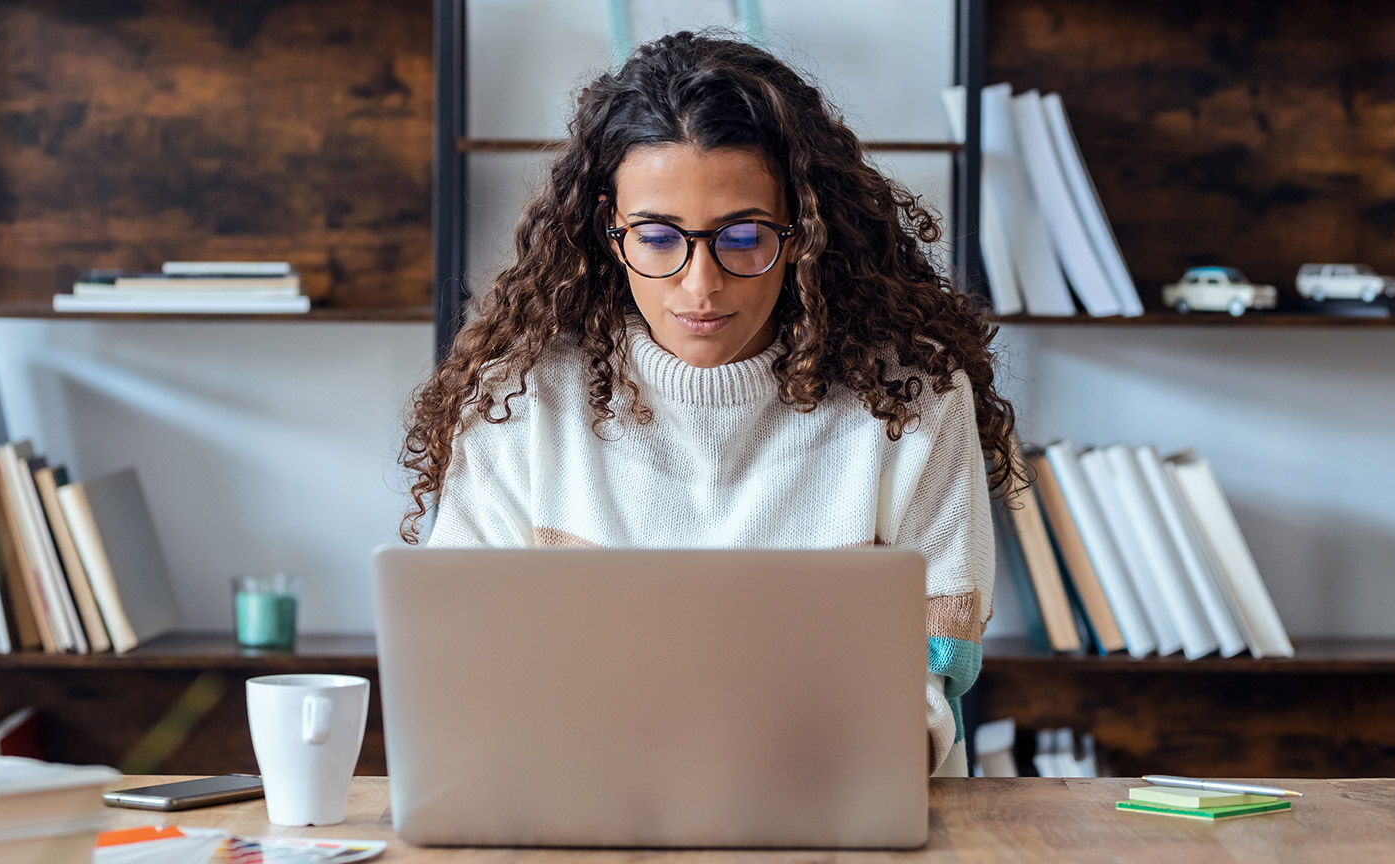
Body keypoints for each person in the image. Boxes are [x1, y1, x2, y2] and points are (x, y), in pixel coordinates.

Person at [400, 32, 1016, 776]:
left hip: (838, 801)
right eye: (658, 238)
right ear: (609, 230)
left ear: (803, 232)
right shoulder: (520, 399)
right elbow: (467, 661)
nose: (701, 286)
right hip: (583, 803)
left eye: (745, 235)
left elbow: (933, 666)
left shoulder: (912, 398)